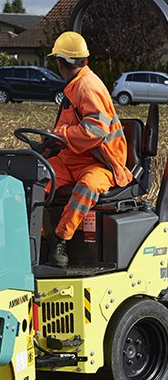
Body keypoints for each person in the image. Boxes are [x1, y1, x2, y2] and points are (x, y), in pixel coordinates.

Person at [45, 31, 132, 268]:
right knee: (37, 179)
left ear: (61, 63)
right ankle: (37, 238)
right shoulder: (73, 88)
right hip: (71, 158)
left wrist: (59, 134)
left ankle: (60, 240)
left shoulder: (87, 87)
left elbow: (95, 131)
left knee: (87, 187)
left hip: (101, 162)